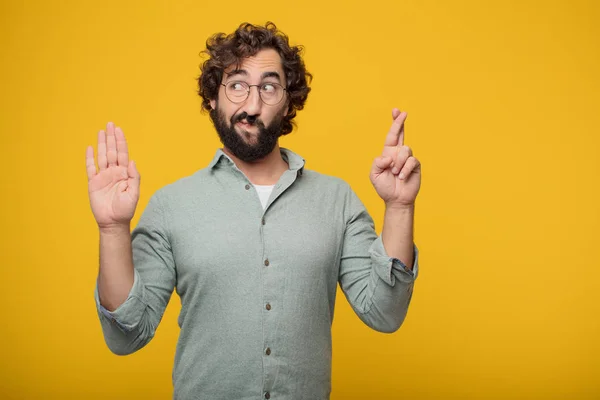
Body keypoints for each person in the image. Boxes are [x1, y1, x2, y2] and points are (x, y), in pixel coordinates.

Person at [86, 21, 421, 400]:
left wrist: (399, 206)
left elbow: (385, 312)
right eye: (237, 85)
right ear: (213, 97)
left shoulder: (337, 200)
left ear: (289, 100)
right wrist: (113, 229)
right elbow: (125, 335)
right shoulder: (170, 206)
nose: (252, 105)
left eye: (269, 87)